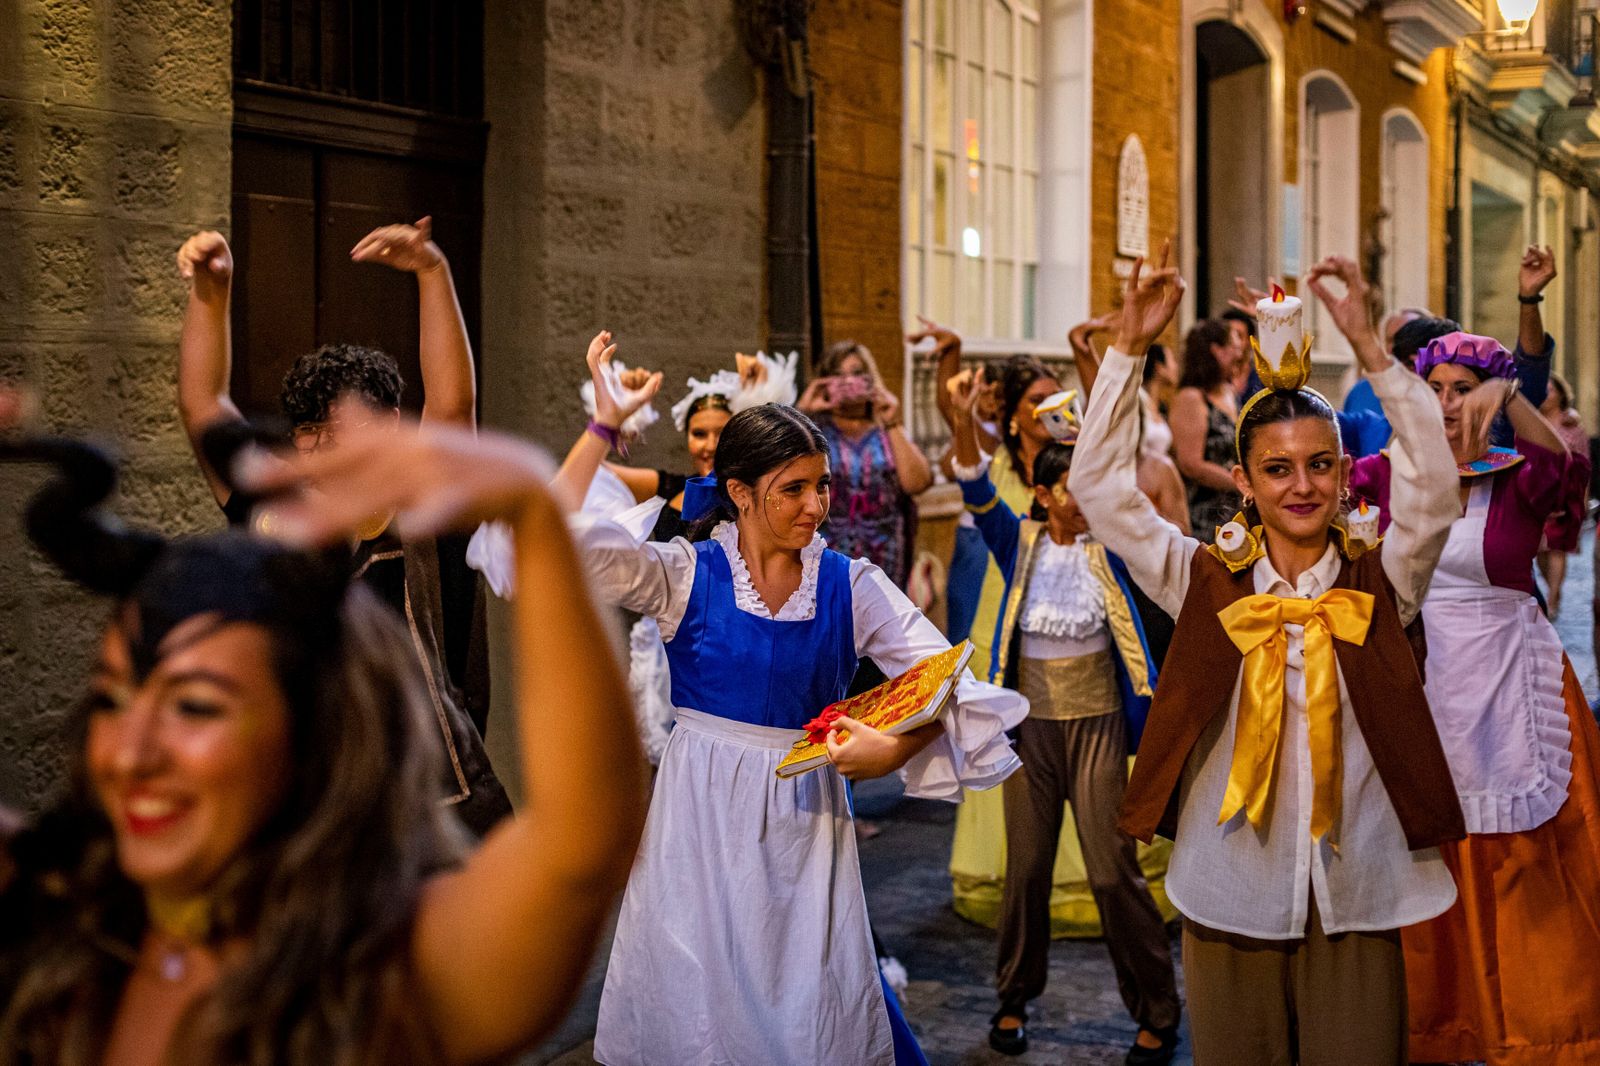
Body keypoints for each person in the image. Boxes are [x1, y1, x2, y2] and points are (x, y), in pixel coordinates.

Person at [0, 415, 647, 1064]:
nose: (128, 754)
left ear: (319, 727)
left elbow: (582, 845)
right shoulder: (57, 919)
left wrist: (530, 512)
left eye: (194, 707)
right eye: (112, 699)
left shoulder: (398, 977)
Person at [1072, 249, 1467, 1065]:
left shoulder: (1382, 581)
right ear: (1245, 482)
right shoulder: (1203, 579)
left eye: (1320, 465)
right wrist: (1128, 348)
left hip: (1357, 889)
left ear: (1345, 474)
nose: (1301, 486)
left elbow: (1433, 486)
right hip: (1232, 890)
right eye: (1277, 468)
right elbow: (1103, 489)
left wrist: (1370, 349)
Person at [558, 402, 1025, 1066]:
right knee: (699, 1003)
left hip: (804, 826)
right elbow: (552, 537)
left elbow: (950, 683)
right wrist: (601, 430)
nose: (816, 506)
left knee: (807, 999)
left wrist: (893, 747)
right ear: (740, 494)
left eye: (823, 484)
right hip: (698, 828)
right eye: (794, 489)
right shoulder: (682, 575)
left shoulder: (850, 585)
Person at [173, 224, 510, 836]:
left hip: (426, 798)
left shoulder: (426, 506)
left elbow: (454, 412)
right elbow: (204, 408)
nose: (325, 445)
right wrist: (211, 291)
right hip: (308, 792)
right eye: (309, 430)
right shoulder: (277, 506)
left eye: (344, 428)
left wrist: (432, 271)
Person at [1349, 332, 1600, 1065]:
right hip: (1422, 679)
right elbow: (1315, 494)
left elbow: (1571, 469)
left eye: (1465, 389)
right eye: (1439, 388)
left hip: (1511, 680)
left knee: (1524, 866)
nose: (1450, 403)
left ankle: (1539, 1031)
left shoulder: (1519, 476)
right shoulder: (1386, 475)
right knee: (1430, 861)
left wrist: (1515, 395)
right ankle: (1439, 1025)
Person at [947, 370, 1179, 1062]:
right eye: (1075, 488)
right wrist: (964, 420)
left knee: (1113, 871)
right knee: (1027, 869)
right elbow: (973, 485)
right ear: (1045, 494)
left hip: (1101, 720)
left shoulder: (1116, 548)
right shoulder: (1016, 542)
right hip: (1030, 726)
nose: (1089, 501)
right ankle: (1013, 998)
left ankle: (1158, 1008)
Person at [799, 340, 933, 588]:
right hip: (824, 560)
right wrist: (803, 412)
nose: (848, 381)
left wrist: (891, 421)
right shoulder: (813, 431)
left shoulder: (886, 432)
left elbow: (917, 482)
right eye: (838, 375)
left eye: (857, 373)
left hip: (884, 561)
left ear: (871, 379)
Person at [1170, 319, 1244, 537]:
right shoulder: (1191, 398)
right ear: (1217, 351)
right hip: (1206, 515)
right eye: (1234, 345)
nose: (1239, 354)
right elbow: (1191, 464)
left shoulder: (1229, 392)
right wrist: (1242, 483)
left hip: (1236, 510)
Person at [1536, 371, 1592, 620]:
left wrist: (1583, 498)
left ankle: (1553, 598)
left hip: (1564, 493)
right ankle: (1551, 591)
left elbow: (1585, 463)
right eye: (1543, 389)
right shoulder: (1531, 420)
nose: (1547, 394)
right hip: (1535, 492)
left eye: (1551, 389)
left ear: (1560, 393)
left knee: (1557, 546)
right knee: (1538, 548)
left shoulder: (1572, 424)